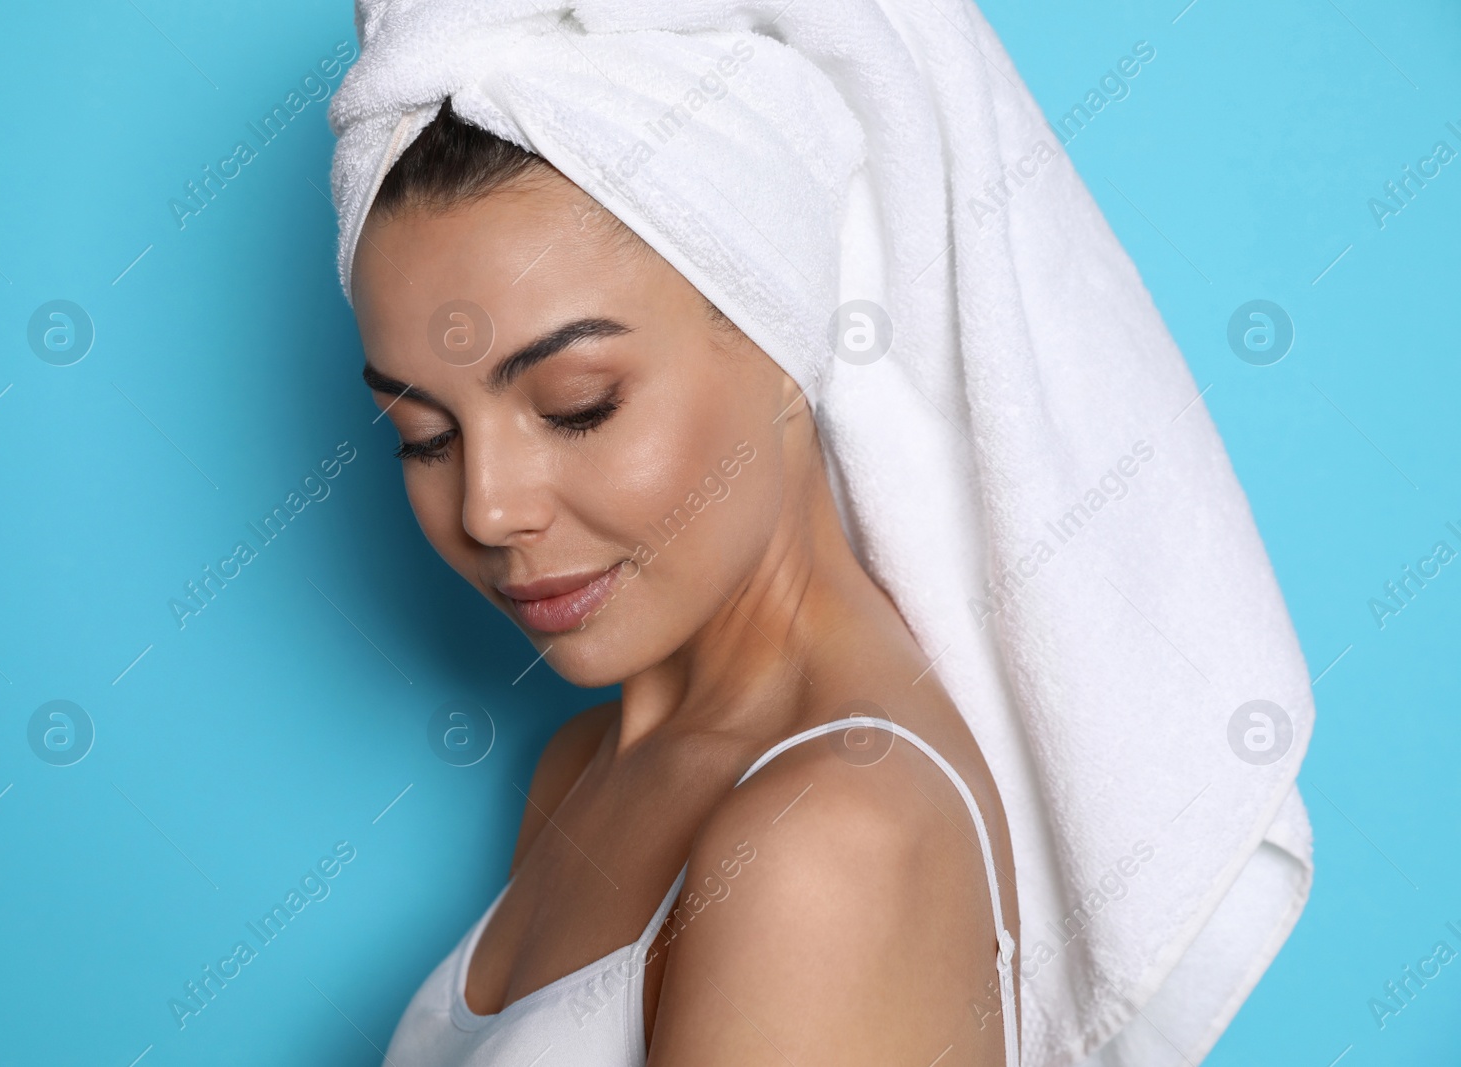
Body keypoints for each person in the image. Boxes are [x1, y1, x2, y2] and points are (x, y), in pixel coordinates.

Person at [354, 100, 1020, 1066]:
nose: (487, 510)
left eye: (577, 406)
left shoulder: (832, 840)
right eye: (427, 437)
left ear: (782, 332)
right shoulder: (581, 766)